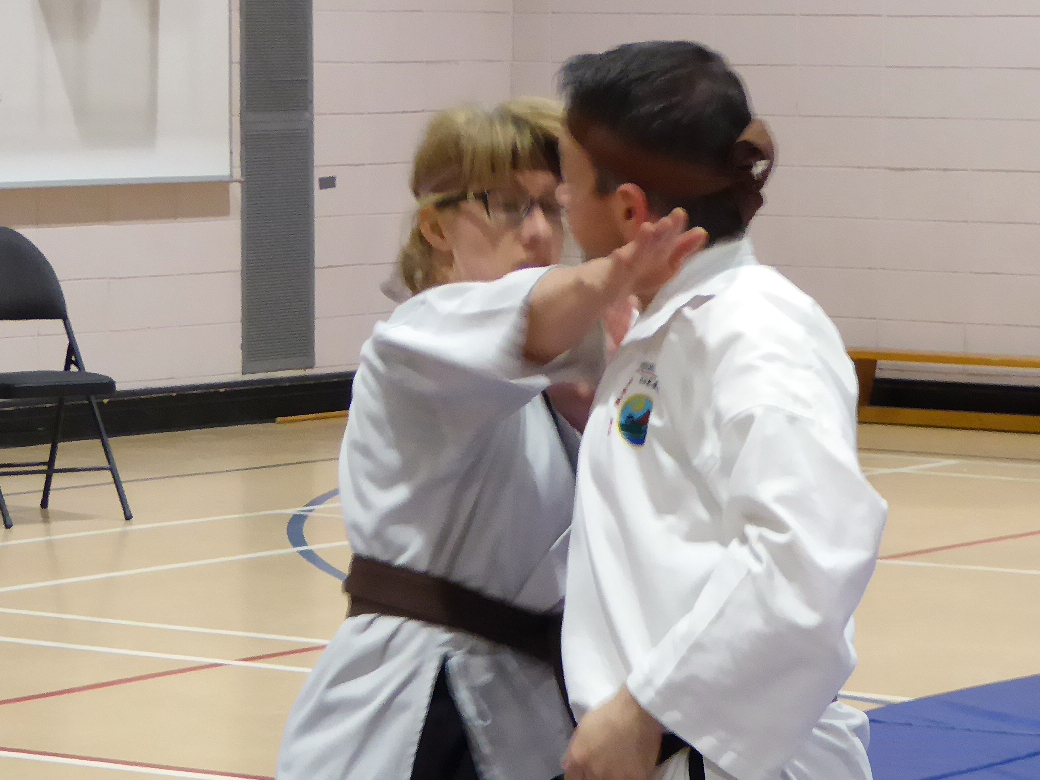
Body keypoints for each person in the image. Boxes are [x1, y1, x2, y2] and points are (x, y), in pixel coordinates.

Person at [276, 98, 703, 780]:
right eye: (506, 205)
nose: (536, 232)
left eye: (553, 208)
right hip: (419, 704)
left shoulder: (566, 369)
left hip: (530, 703)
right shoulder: (415, 341)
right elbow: (535, 314)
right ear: (435, 226)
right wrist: (619, 270)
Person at [551, 42, 889, 780]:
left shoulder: (755, 330)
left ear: (630, 208)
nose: (562, 203)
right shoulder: (673, 325)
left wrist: (644, 710)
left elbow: (807, 555)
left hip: (726, 756)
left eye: (569, 181)